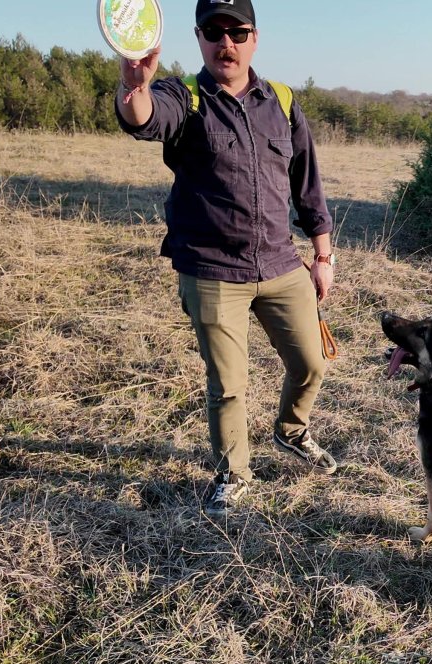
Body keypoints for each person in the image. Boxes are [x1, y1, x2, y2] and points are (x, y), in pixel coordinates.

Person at [115, 0, 338, 514]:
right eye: (214, 31)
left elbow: (307, 183)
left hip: (281, 265)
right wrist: (134, 87)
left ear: (254, 38)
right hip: (214, 271)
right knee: (229, 385)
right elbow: (145, 119)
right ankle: (234, 472)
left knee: (312, 363)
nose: (226, 43)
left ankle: (291, 430)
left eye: (237, 32)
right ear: (199, 37)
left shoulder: (282, 101)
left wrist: (322, 254)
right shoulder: (183, 96)